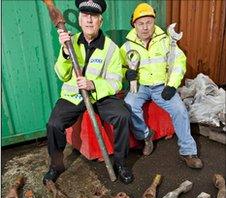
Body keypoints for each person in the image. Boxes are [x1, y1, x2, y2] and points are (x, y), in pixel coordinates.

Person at [43, 0, 134, 185]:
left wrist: (93, 84)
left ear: (101, 21)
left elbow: (116, 82)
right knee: (54, 124)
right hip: (74, 96)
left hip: (100, 96)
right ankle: (56, 165)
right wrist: (66, 53)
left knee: (123, 115)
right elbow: (62, 74)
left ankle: (120, 163)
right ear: (79, 19)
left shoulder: (111, 48)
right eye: (85, 16)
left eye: (93, 17)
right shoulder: (70, 42)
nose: (89, 21)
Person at [120, 3, 203, 169]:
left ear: (154, 22)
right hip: (140, 87)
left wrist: (172, 85)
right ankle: (146, 136)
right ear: (134, 25)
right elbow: (119, 68)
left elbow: (179, 62)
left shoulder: (166, 41)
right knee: (129, 105)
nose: (145, 27)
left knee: (179, 110)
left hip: (162, 86)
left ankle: (188, 152)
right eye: (140, 23)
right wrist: (125, 74)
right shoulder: (127, 46)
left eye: (148, 22)